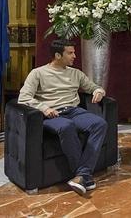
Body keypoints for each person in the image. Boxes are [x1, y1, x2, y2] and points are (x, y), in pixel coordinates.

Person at [18, 39, 108, 196]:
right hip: (53, 114)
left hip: (74, 111)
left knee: (100, 123)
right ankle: (84, 175)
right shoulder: (38, 73)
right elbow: (24, 97)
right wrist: (44, 107)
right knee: (66, 126)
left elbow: (93, 86)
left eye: (74, 52)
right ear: (58, 55)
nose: (74, 56)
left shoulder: (76, 73)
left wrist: (99, 91)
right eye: (70, 53)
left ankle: (82, 175)